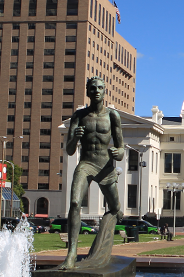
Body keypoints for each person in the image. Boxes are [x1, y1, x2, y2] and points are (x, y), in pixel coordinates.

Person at [57, 77, 126, 271]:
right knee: (74, 203)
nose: (96, 91)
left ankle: (116, 209)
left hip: (105, 166)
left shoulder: (113, 116)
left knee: (115, 208)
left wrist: (118, 153)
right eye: (93, 88)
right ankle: (71, 255)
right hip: (86, 164)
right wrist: (75, 139)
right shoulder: (79, 116)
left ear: (105, 92)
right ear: (87, 91)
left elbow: (121, 148)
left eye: (100, 88)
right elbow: (69, 150)